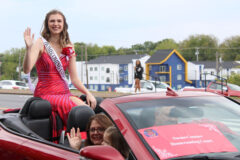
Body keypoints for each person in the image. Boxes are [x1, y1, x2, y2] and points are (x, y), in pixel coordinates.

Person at [23, 9, 96, 139]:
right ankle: (76, 142)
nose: (55, 24)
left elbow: (74, 79)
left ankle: (83, 141)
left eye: (59, 21)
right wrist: (28, 49)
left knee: (87, 109)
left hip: (64, 92)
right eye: (52, 21)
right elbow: (27, 69)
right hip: (46, 92)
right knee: (77, 109)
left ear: (64, 24)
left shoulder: (68, 46)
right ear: (47, 24)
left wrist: (88, 93)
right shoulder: (40, 43)